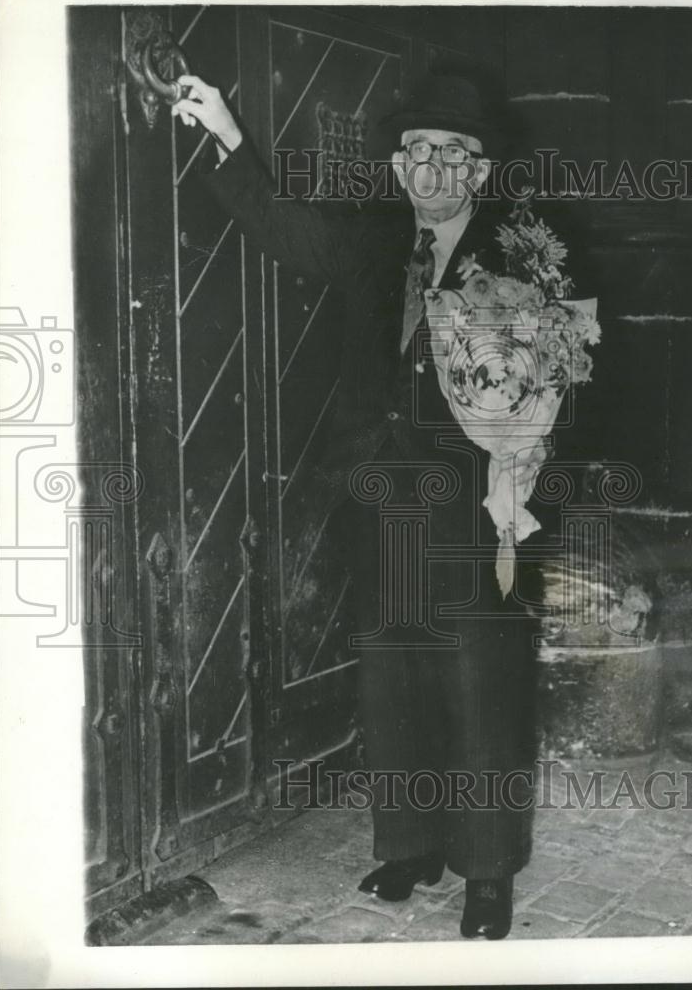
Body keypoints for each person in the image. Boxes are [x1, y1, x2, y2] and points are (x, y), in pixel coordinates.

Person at [173, 71, 539, 940]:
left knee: (480, 681)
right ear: (400, 167)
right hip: (378, 489)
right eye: (419, 152)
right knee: (394, 671)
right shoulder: (375, 240)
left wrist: (517, 479)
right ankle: (410, 845)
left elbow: (553, 380)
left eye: (455, 154)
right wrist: (226, 131)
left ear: (481, 173)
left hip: (475, 500)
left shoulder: (522, 256)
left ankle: (487, 873)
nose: (435, 168)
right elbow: (285, 228)